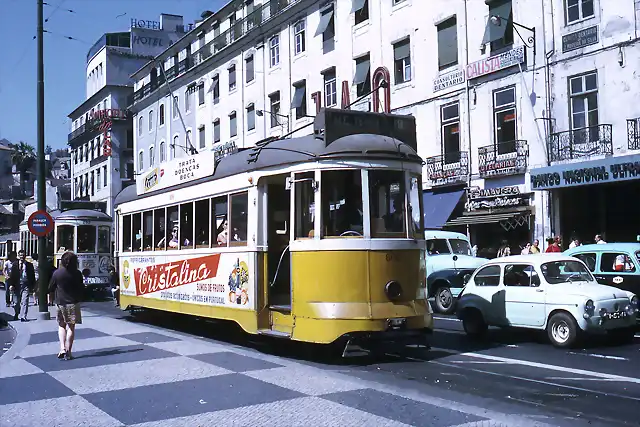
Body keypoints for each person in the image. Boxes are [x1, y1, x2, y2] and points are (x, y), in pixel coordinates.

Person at [48, 251, 84, 361]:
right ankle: (69, 351)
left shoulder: (57, 273)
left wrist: (50, 299)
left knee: (61, 325)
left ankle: (62, 348)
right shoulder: (77, 273)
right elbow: (81, 287)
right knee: (71, 327)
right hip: (73, 303)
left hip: (60, 303)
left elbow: (51, 288)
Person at [10, 250, 36, 322]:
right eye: (21, 255)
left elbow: (32, 276)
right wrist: (11, 284)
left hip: (25, 285)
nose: (22, 257)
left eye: (23, 255)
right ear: (19, 256)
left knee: (25, 301)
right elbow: (12, 275)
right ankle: (16, 313)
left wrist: (33, 286)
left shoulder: (29, 265)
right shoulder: (15, 264)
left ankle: (23, 316)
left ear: (25, 256)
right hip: (16, 285)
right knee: (16, 302)